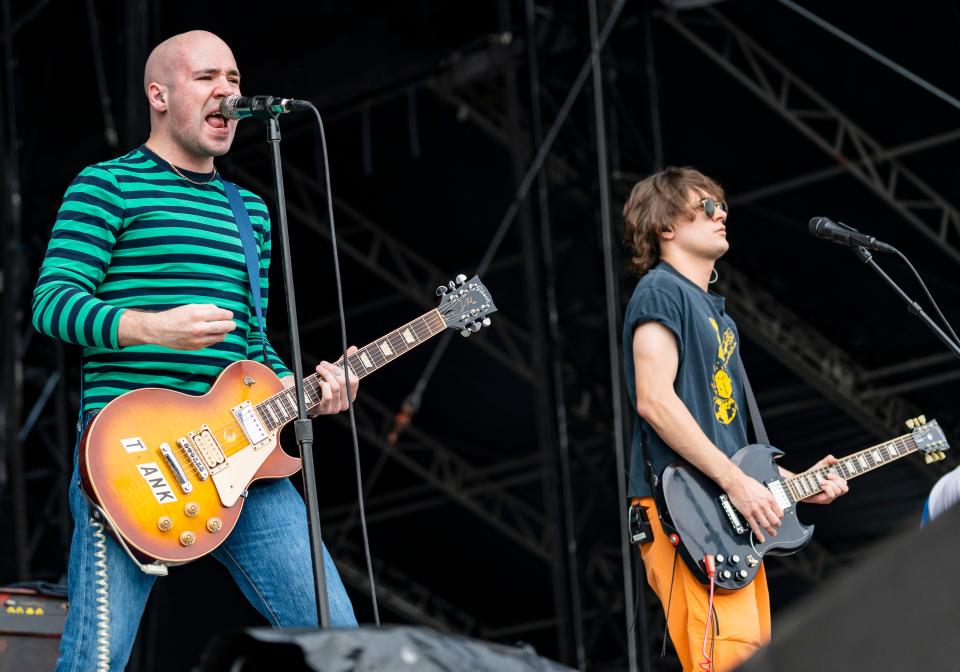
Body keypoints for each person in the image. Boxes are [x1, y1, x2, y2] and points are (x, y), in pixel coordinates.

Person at [32, 30, 359, 671]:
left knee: (340, 641)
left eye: (235, 79)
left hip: (243, 455)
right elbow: (51, 304)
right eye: (208, 78)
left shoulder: (250, 212)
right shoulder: (107, 186)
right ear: (159, 94)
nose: (228, 93)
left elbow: (251, 344)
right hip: (131, 460)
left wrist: (310, 390)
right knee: (96, 660)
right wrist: (154, 328)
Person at [621, 166, 849, 671]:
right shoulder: (661, 292)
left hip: (727, 518)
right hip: (689, 512)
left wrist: (794, 483)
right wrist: (737, 484)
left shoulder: (716, 315)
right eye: (705, 206)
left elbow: (730, 444)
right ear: (665, 227)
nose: (721, 213)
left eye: (721, 205)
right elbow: (654, 401)